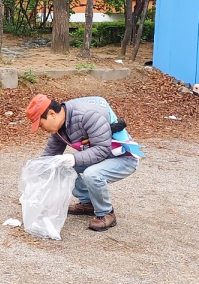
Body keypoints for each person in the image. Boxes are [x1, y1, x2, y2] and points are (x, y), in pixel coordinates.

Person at [25, 94, 142, 231]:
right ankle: (88, 203)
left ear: (51, 114)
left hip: (123, 157)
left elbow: (102, 149)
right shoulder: (60, 127)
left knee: (91, 174)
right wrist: (36, 176)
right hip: (99, 156)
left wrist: (73, 159)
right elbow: (50, 156)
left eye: (41, 124)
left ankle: (106, 213)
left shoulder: (87, 115)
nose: (41, 129)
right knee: (59, 167)